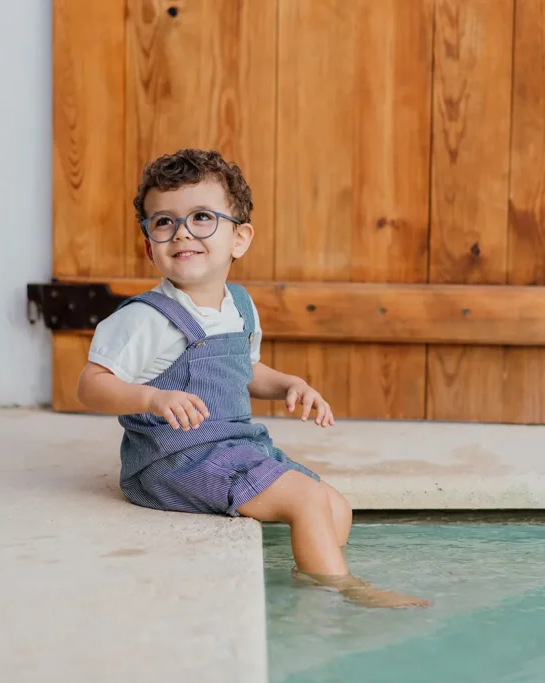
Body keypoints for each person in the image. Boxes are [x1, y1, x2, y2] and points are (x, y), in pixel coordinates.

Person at [76, 148, 429, 609]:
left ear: (239, 239)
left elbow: (244, 369)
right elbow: (91, 384)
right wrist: (151, 397)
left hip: (234, 446)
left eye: (202, 217)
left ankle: (309, 579)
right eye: (163, 222)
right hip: (174, 460)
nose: (181, 232)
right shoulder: (147, 318)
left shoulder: (238, 305)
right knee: (305, 500)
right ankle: (344, 593)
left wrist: (286, 384)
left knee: (335, 505)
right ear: (149, 245)